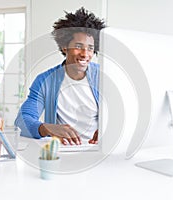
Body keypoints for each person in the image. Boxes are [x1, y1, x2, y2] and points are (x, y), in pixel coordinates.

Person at [14, 7, 105, 145]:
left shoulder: (104, 77)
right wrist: (46, 128)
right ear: (64, 46)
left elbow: (124, 113)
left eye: (90, 48)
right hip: (62, 152)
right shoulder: (45, 81)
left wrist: (108, 129)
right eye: (78, 46)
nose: (85, 54)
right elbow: (22, 121)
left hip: (98, 150)